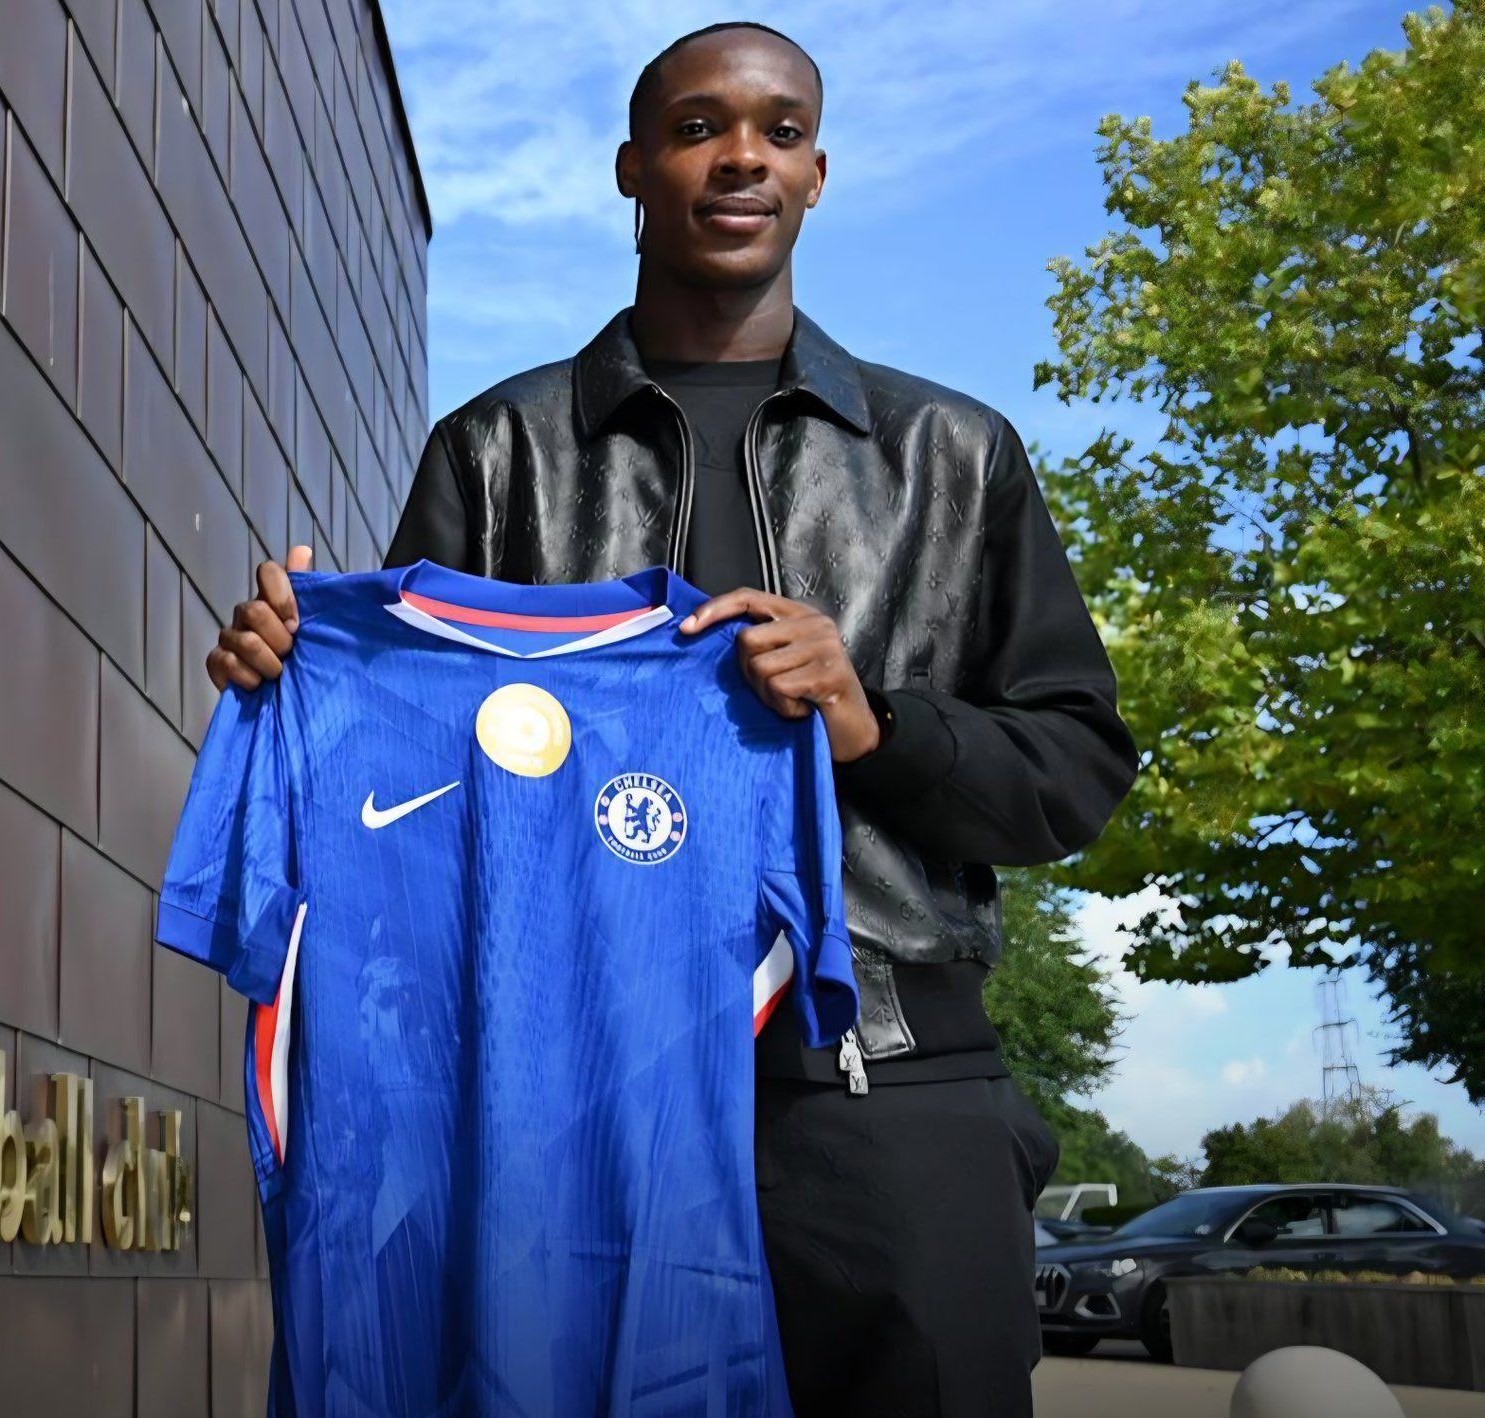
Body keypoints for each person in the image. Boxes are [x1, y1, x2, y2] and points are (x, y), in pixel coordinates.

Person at [205, 20, 1139, 1417]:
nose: (739, 157)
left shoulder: (953, 454)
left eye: (775, 129)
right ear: (634, 168)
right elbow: (412, 787)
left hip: (881, 1090)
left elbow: (1077, 772)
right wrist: (301, 681)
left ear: (818, 171)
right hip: (572, 1100)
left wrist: (870, 724)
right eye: (700, 128)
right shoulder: (497, 450)